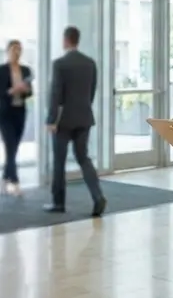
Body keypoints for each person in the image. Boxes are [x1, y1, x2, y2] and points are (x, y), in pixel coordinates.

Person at [46, 26, 106, 216]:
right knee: (83, 157)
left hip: (64, 121)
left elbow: (56, 94)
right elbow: (92, 90)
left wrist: (51, 119)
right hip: (84, 117)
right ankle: (98, 196)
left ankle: (58, 203)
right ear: (77, 40)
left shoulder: (60, 64)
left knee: (59, 161)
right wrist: (84, 108)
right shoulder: (90, 63)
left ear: (66, 40)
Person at [0, 40, 33, 196]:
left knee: (13, 148)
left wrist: (24, 90)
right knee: (10, 145)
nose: (17, 52)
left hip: (20, 111)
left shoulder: (26, 70)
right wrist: (12, 90)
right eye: (14, 49)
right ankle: (15, 182)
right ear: (7, 51)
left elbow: (30, 93)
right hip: (4, 113)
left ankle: (4, 179)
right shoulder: (1, 70)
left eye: (19, 49)